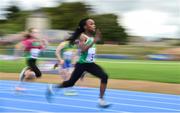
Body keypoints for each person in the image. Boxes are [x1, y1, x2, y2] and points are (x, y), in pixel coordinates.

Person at [46, 18, 110, 108]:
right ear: (85, 26)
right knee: (70, 83)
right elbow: (83, 50)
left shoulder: (91, 37)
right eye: (91, 24)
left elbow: (90, 51)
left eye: (94, 24)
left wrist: (95, 40)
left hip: (90, 64)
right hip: (82, 64)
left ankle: (101, 99)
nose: (94, 25)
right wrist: (95, 41)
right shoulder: (82, 36)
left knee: (104, 76)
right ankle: (53, 87)